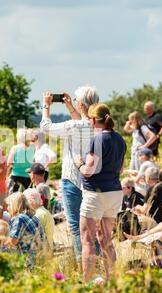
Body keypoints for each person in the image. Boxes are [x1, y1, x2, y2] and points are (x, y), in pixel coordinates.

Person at [40, 86, 99, 261]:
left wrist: (46, 106)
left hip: (72, 179)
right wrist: (71, 108)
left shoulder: (75, 126)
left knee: (75, 226)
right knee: (92, 225)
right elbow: (81, 123)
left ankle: (84, 263)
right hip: (93, 180)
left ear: (81, 104)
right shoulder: (96, 125)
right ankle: (96, 261)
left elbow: (46, 127)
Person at [74, 103, 126, 282]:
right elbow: (120, 168)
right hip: (114, 191)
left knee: (87, 239)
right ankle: (112, 280)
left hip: (96, 193)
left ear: (94, 120)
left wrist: (79, 163)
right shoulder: (120, 139)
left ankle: (86, 283)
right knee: (106, 239)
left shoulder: (98, 139)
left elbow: (89, 170)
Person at [6, 192, 45, 267]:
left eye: (9, 205)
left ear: (15, 205)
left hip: (30, 262)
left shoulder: (18, 218)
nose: (7, 208)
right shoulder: (32, 217)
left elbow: (12, 242)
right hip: (42, 259)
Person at [23, 188, 54, 253]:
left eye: (25, 202)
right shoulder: (43, 211)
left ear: (30, 201)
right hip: (48, 250)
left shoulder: (38, 214)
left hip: (44, 252)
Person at [7, 128, 35, 193]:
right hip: (28, 177)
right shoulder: (32, 148)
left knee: (14, 198)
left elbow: (9, 163)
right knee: (27, 198)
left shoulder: (15, 148)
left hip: (16, 176)